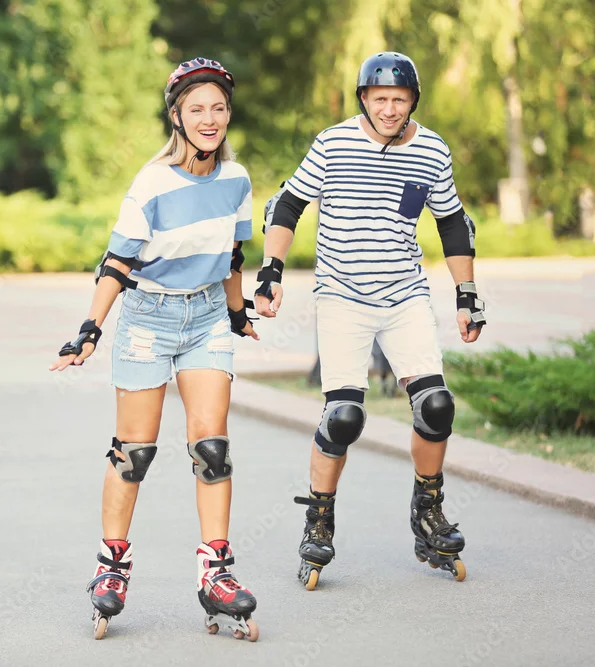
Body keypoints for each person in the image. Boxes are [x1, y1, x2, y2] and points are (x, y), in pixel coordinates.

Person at [254, 52, 487, 587]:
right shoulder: (333, 143)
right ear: (363, 98)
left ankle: (428, 510)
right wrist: (271, 271)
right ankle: (319, 519)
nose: (389, 109)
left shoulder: (432, 150)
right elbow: (286, 205)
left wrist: (467, 294)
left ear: (413, 101)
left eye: (399, 99)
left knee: (436, 406)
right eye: (379, 98)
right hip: (342, 296)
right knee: (343, 417)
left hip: (405, 296)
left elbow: (453, 223)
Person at [50, 57, 261, 641]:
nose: (209, 119)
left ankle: (216, 571)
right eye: (197, 109)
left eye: (218, 108)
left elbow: (233, 257)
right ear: (177, 117)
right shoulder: (152, 183)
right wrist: (89, 329)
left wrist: (238, 314)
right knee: (133, 453)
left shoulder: (237, 179)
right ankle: (111, 565)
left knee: (212, 446)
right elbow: (117, 262)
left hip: (208, 317)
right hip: (148, 316)